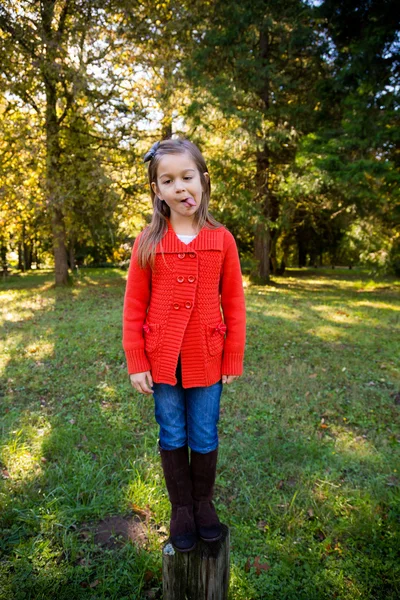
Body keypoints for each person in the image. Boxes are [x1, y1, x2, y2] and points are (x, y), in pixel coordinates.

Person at [122, 137, 246, 552]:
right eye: (168, 180)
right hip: (162, 360)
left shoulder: (222, 239)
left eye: (187, 177)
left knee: (204, 432)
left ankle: (204, 505)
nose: (180, 188)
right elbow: (134, 305)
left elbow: (234, 303)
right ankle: (181, 509)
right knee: (172, 431)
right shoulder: (149, 241)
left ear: (203, 180)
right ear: (157, 190)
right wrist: (136, 359)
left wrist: (233, 355)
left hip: (208, 358)